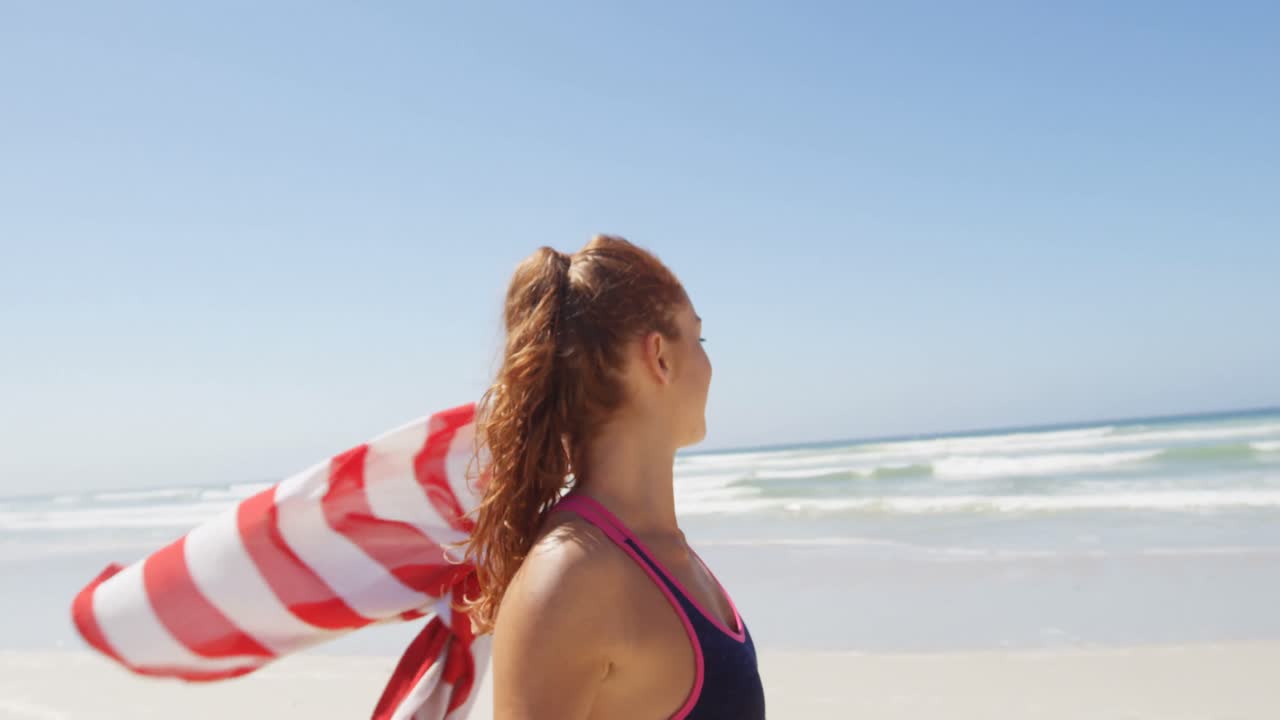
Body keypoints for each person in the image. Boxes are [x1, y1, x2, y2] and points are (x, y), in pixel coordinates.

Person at [457, 234, 766, 719]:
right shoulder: (571, 577)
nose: (709, 365)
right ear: (659, 357)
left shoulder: (664, 551)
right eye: (699, 338)